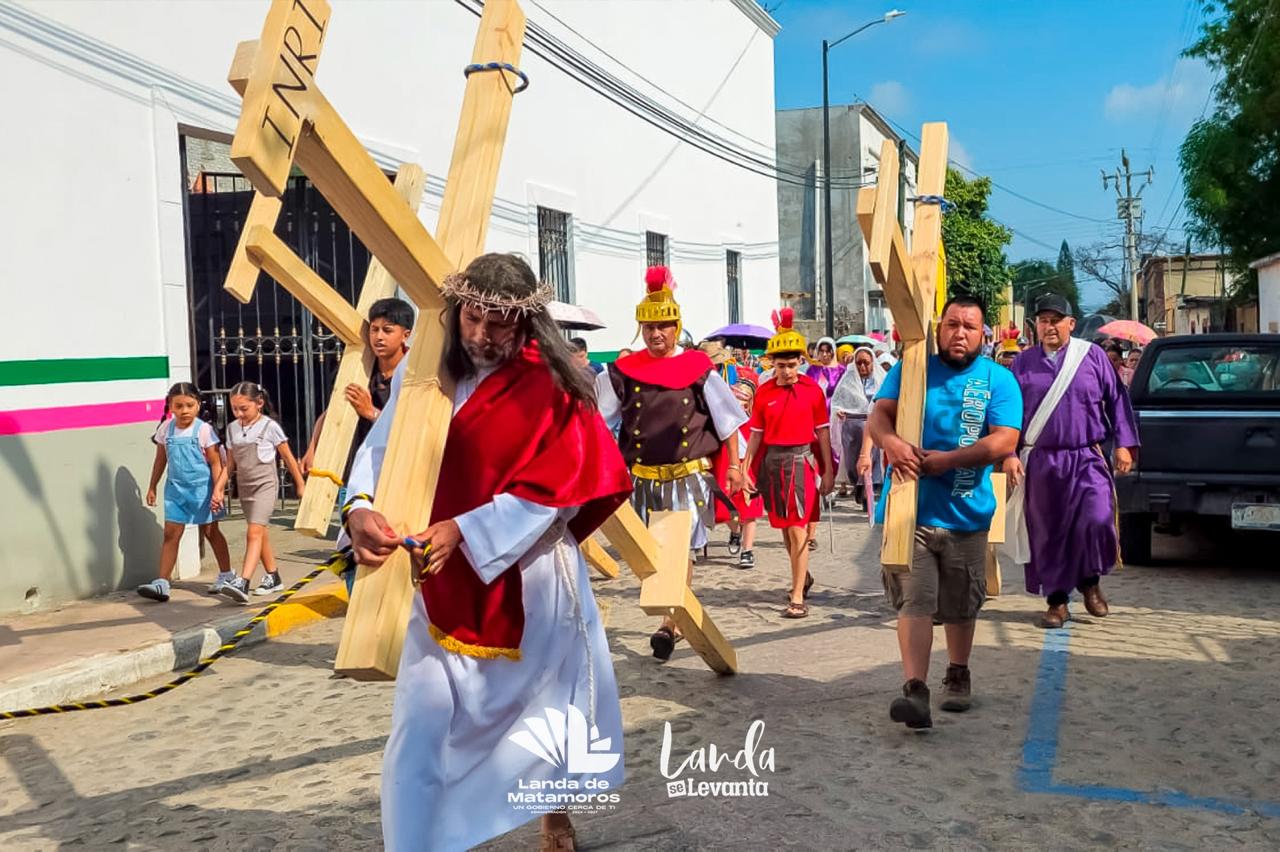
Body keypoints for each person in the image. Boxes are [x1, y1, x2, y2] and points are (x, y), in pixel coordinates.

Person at [343, 253, 632, 852]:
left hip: (532, 579)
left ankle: (552, 808)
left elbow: (557, 490)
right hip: (434, 579)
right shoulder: (424, 369)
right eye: (471, 318)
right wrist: (360, 506)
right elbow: (382, 446)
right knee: (420, 723)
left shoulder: (555, 386)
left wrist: (467, 530)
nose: (480, 335)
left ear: (527, 322)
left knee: (543, 717)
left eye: (498, 324)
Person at [868, 295, 1022, 729]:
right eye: (952, 324)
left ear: (982, 335)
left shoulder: (998, 379)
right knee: (914, 600)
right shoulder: (912, 369)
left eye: (969, 327)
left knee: (960, 602)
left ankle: (958, 672)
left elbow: (1004, 439)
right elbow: (879, 416)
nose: (959, 333)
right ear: (939, 329)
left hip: (967, 511)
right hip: (910, 510)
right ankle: (915, 690)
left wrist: (948, 461)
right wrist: (891, 444)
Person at [595, 266, 746, 661]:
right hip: (642, 480)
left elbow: (727, 421)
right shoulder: (622, 372)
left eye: (662, 325)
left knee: (681, 553)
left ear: (676, 326)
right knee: (653, 556)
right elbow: (599, 423)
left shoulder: (698, 369)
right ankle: (675, 616)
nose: (656, 333)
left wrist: (734, 466)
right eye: (649, 327)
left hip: (688, 478)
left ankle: (669, 624)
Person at [1004, 294, 1140, 629]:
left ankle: (1090, 580)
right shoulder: (1023, 363)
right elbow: (1008, 413)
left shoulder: (1092, 356)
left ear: (1071, 323)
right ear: (1035, 325)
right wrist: (1008, 453)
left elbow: (1117, 400)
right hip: (1041, 460)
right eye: (1043, 320)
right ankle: (1057, 601)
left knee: (1096, 518)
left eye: (1056, 320)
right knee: (1048, 531)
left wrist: (1124, 444)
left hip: (1086, 455)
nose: (1049, 326)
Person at [743, 309, 834, 618]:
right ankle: (803, 577)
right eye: (781, 366)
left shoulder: (813, 391)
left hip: (801, 462)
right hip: (772, 463)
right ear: (772, 364)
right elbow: (756, 435)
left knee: (798, 529)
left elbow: (823, 434)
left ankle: (797, 596)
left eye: (792, 365)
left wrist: (828, 471)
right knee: (784, 529)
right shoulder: (764, 392)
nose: (787, 371)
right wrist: (745, 468)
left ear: (801, 361)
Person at [302, 297, 414, 491]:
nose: (379, 337)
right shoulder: (359, 368)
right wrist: (312, 449)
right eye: (374, 329)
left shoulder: (414, 373)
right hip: (354, 470)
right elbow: (332, 411)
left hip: (396, 471)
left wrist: (371, 412)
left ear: (405, 335)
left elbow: (411, 427)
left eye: (387, 330)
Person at [136, 383, 233, 601]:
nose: (184, 411)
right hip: (175, 491)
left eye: (189, 405)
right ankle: (162, 582)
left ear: (198, 405)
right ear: (170, 406)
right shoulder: (165, 429)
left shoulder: (204, 430)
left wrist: (218, 491)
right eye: (178, 406)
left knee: (211, 532)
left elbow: (215, 463)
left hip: (203, 491)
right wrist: (152, 486)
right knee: (171, 534)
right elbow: (160, 460)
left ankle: (227, 575)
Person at [217, 382, 306, 603]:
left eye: (244, 408)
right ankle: (273, 576)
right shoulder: (232, 428)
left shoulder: (269, 427)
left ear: (259, 403)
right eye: (234, 409)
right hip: (245, 487)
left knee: (253, 532)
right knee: (260, 531)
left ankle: (243, 582)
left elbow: (288, 457)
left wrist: (300, 484)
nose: (239, 413)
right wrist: (218, 489)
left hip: (265, 485)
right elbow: (230, 464)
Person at [716, 370, 764, 569]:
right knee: (724, 509)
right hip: (728, 467)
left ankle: (747, 550)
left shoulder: (756, 423)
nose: (737, 403)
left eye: (742, 398)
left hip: (750, 468)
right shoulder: (724, 422)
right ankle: (736, 530)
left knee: (750, 511)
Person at [831, 347, 885, 507]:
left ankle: (867, 492)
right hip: (851, 427)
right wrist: (838, 411)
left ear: (873, 363)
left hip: (873, 425)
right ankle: (858, 485)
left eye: (866, 363)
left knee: (871, 458)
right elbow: (836, 402)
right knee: (852, 463)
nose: (862, 367)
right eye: (859, 363)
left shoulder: (881, 380)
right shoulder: (847, 380)